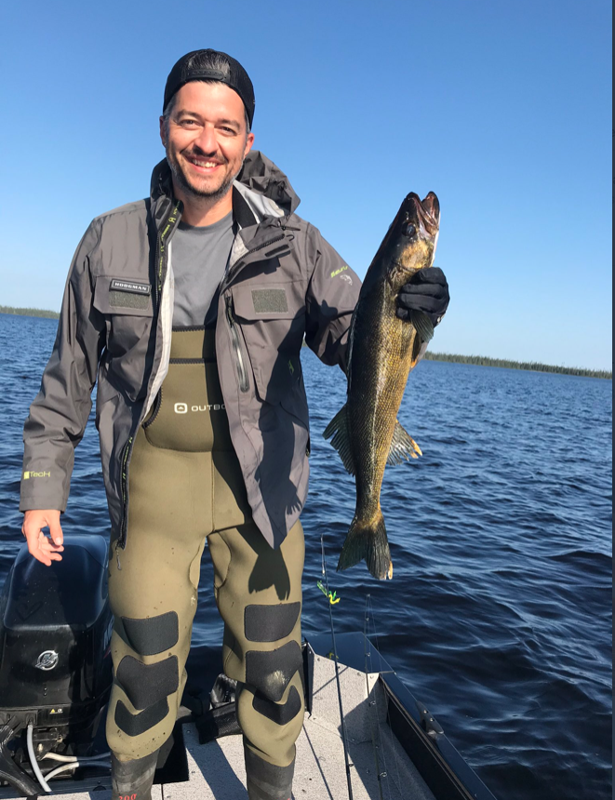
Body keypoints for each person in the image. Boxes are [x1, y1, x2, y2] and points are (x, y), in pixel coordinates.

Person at [20, 49, 449, 800]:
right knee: (144, 668)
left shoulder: (299, 244)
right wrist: (41, 487)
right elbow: (68, 375)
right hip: (154, 493)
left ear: (247, 141)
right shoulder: (106, 239)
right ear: (163, 129)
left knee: (275, 671)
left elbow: (360, 340)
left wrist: (420, 310)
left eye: (226, 126)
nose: (206, 141)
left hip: (264, 495)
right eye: (191, 121)